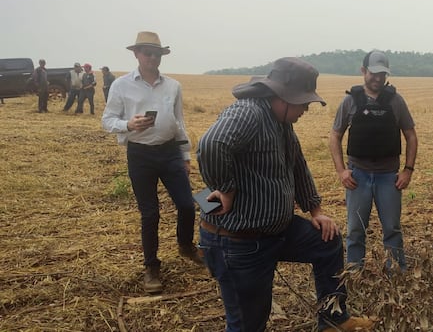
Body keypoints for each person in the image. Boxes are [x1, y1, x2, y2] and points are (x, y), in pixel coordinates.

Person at [197, 57, 374, 332]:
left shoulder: (281, 123)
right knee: (248, 323)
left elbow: (298, 165)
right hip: (239, 243)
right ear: (283, 96)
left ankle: (333, 320)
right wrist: (226, 188)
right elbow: (212, 144)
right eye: (303, 102)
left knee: (327, 242)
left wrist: (315, 211)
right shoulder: (248, 113)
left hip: (274, 232)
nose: (305, 108)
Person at [101, 31, 201, 294]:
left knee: (188, 205)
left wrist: (185, 156)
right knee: (150, 213)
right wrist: (128, 124)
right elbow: (107, 120)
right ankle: (151, 267)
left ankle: (186, 245)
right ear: (136, 54)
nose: (153, 57)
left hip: (169, 153)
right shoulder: (121, 85)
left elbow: (179, 122)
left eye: (157, 53)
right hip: (140, 154)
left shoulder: (173, 86)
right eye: (148, 53)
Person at [329, 50, 418, 271]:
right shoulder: (350, 100)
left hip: (389, 177)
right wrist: (342, 171)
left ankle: (395, 273)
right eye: (373, 73)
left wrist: (408, 170)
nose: (378, 78)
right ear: (363, 71)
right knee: (355, 229)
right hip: (357, 176)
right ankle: (354, 272)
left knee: (392, 228)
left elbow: (411, 135)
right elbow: (335, 135)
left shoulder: (396, 101)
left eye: (382, 74)